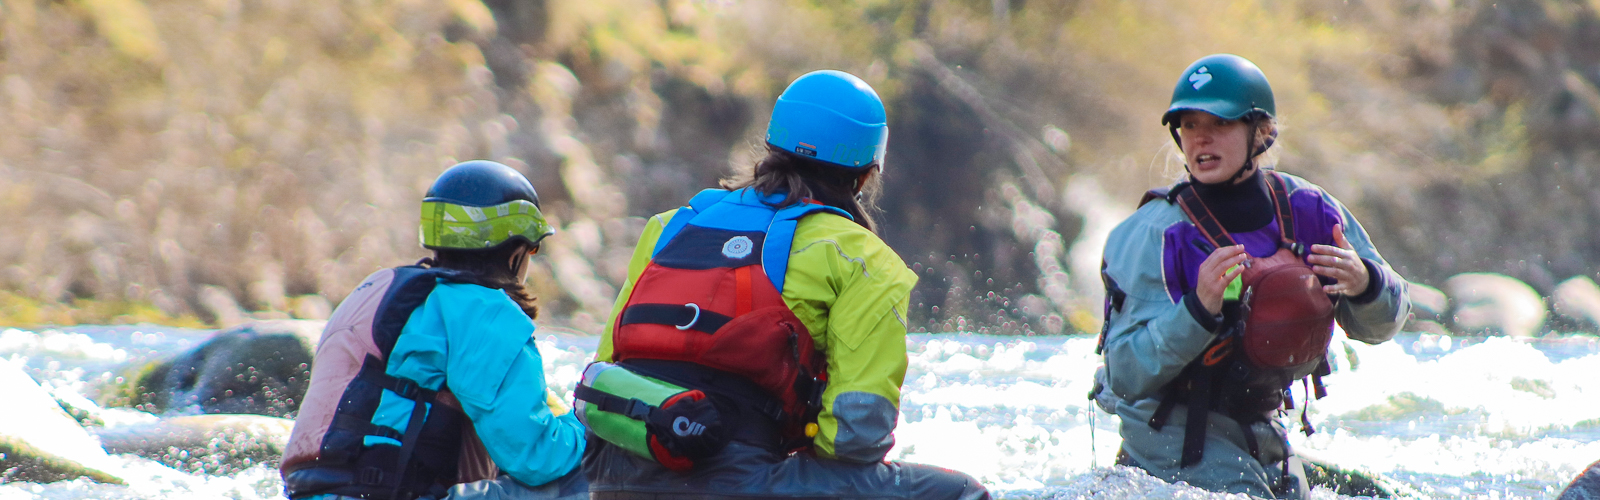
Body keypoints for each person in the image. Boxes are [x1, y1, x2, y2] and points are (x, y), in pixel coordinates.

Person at [578, 70, 990, 500]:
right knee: (961, 493)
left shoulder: (669, 227)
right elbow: (855, 435)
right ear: (865, 175)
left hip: (610, 475)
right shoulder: (862, 258)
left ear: (772, 147)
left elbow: (608, 361)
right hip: (732, 481)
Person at [1091, 54, 1412, 499]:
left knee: (1381, 494)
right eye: (1188, 124)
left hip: (1262, 431)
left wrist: (1366, 284)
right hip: (1169, 442)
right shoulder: (1153, 234)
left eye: (1219, 123)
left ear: (1261, 132)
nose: (1200, 137)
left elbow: (1390, 320)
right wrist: (1197, 311)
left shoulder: (1310, 210)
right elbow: (1124, 374)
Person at [279, 160, 588, 500]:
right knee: (590, 470)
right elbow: (539, 458)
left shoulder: (377, 289)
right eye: (533, 246)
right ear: (515, 250)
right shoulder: (486, 311)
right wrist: (586, 421)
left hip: (309, 492)